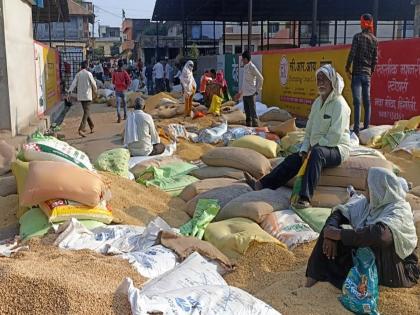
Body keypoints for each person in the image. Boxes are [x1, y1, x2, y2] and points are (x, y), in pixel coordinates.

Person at [244, 64, 351, 209]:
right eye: (318, 79)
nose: (320, 83)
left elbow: (335, 136)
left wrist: (314, 148)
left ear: (332, 81)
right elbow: (309, 131)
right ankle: (262, 184)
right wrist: (304, 150)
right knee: (294, 158)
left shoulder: (340, 105)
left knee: (317, 155)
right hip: (315, 147)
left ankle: (305, 198)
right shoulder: (317, 103)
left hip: (337, 148)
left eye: (324, 79)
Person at [306, 167, 419, 289]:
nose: (365, 191)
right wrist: (330, 234)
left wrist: (340, 234)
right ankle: (313, 276)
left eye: (368, 187)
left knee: (369, 238)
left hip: (397, 269)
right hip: (371, 261)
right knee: (330, 231)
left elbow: (381, 236)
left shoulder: (400, 209)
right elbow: (339, 213)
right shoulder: (370, 204)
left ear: (379, 188)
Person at [346, 13, 378, 136]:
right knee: (367, 101)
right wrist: (371, 72)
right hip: (367, 75)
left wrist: (347, 67)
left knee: (357, 102)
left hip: (357, 74)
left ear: (362, 23)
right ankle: (366, 126)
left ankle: (357, 129)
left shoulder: (357, 37)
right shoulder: (374, 40)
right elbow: (375, 60)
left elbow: (352, 54)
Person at [68, 61, 97, 137]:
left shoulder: (78, 74)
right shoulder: (88, 74)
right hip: (88, 95)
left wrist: (69, 91)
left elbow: (73, 83)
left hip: (81, 96)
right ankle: (81, 129)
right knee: (86, 112)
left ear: (81, 66)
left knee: (86, 112)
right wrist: (95, 91)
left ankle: (92, 126)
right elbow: (94, 84)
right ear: (87, 66)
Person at [238, 51, 264, 127]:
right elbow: (245, 83)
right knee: (247, 115)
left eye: (242, 59)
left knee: (253, 115)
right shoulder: (245, 67)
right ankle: (248, 129)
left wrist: (258, 90)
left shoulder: (252, 67)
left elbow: (261, 78)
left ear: (246, 59)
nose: (242, 61)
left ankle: (256, 131)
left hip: (251, 94)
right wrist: (241, 93)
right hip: (245, 95)